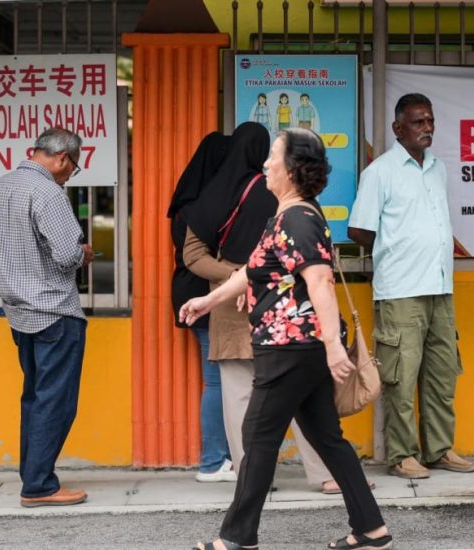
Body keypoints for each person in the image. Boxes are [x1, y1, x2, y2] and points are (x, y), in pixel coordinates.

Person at [182, 128, 391, 550]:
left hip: (291, 346)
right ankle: (371, 527)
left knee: (258, 437)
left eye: (273, 157)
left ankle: (237, 538)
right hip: (297, 347)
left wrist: (333, 346)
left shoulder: (296, 218)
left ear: (292, 170)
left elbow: (320, 281)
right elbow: (252, 272)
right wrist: (209, 299)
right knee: (327, 438)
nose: (265, 165)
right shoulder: (288, 214)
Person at [182, 121, 346, 495]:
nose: (268, 163)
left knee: (240, 395)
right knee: (303, 395)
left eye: (275, 155)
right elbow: (306, 270)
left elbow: (193, 254)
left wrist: (225, 282)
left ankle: (253, 477)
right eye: (267, 153)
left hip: (232, 305)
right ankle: (325, 474)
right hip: (285, 307)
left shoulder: (212, 196)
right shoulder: (288, 202)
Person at [348, 93, 474, 480]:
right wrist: (396, 249)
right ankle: (402, 455)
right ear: (398, 128)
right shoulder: (381, 172)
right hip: (400, 289)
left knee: (441, 372)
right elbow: (358, 229)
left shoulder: (437, 168)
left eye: (430, 121)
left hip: (439, 287)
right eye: (419, 122)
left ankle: (439, 449)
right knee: (400, 377)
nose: (427, 129)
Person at [0, 127, 94, 507]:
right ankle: (40, 485)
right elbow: (67, 255)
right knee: (55, 400)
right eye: (72, 168)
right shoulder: (48, 192)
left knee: (33, 396)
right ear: (62, 158)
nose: (68, 175)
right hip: (53, 310)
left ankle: (33, 476)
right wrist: (86, 254)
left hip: (17, 310)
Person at [167, 131, 235, 482]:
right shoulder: (208, 205)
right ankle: (212, 461)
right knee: (219, 380)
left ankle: (218, 459)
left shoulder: (185, 202)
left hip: (190, 295)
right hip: (207, 297)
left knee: (218, 380)